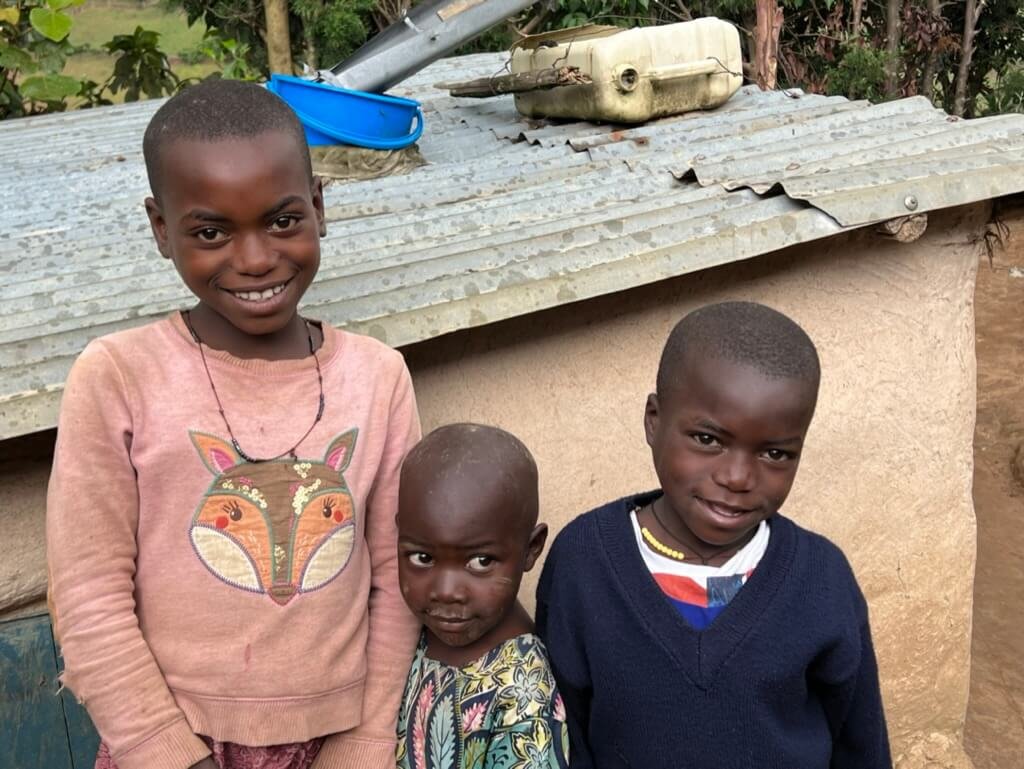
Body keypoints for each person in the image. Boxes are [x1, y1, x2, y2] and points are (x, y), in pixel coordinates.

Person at [46, 79, 421, 769]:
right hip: (168, 742)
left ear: (319, 206)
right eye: (211, 231)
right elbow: (88, 595)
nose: (254, 259)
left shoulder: (378, 378)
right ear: (162, 229)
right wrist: (166, 753)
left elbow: (398, 578)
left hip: (338, 743)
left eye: (282, 220)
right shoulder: (117, 377)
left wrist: (366, 740)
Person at [536, 301, 892, 769]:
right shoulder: (584, 563)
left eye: (775, 454)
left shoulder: (821, 579)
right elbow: (566, 736)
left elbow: (859, 742)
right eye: (708, 440)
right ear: (653, 419)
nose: (738, 477)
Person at [394, 424, 569, 769]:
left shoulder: (523, 693)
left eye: (480, 562)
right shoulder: (406, 636)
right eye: (422, 558)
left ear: (531, 549)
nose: (446, 591)